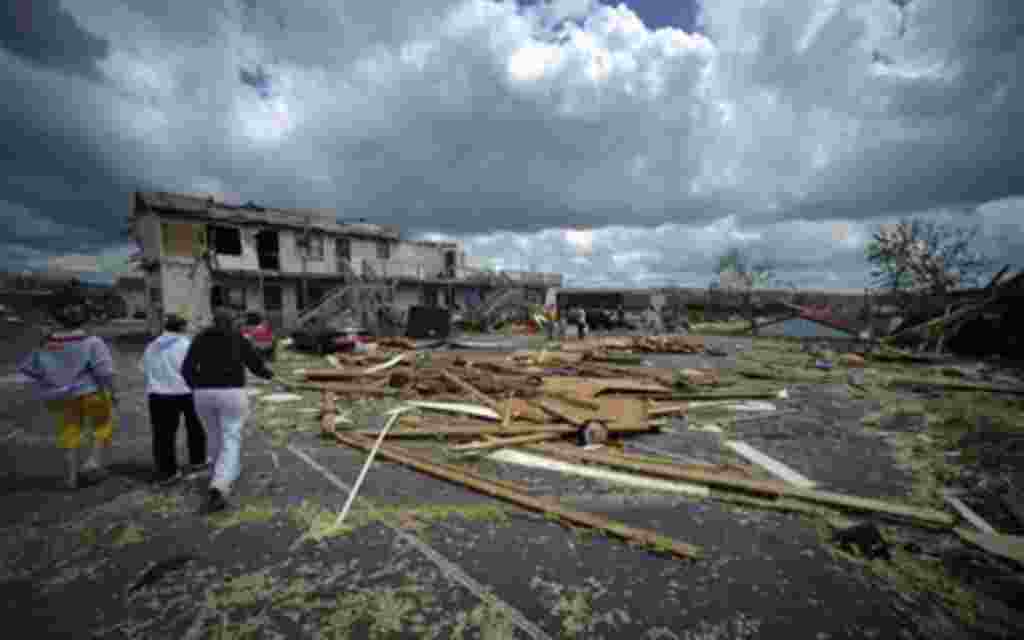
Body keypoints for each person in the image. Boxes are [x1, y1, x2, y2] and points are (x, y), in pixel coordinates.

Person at [182, 308, 277, 514]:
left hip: (203, 394)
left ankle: (224, 472)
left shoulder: (200, 338)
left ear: (214, 321)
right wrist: (269, 375)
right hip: (231, 392)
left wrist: (197, 386)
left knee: (214, 436)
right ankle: (219, 488)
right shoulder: (237, 338)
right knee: (231, 437)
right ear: (231, 322)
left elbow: (186, 369)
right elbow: (255, 364)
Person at [17, 297, 117, 489]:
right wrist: (113, 391)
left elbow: (30, 369)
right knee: (102, 426)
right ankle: (93, 463)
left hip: (64, 396)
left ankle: (70, 479)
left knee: (69, 433)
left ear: (57, 320)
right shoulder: (92, 341)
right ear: (84, 320)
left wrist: (52, 376)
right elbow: (104, 371)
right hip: (92, 392)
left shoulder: (46, 343)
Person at [141, 313, 207, 485]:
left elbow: (144, 368)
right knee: (196, 428)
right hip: (187, 392)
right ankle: (198, 460)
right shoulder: (186, 345)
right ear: (183, 328)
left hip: (159, 395)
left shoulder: (152, 346)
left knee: (163, 435)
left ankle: (167, 472)